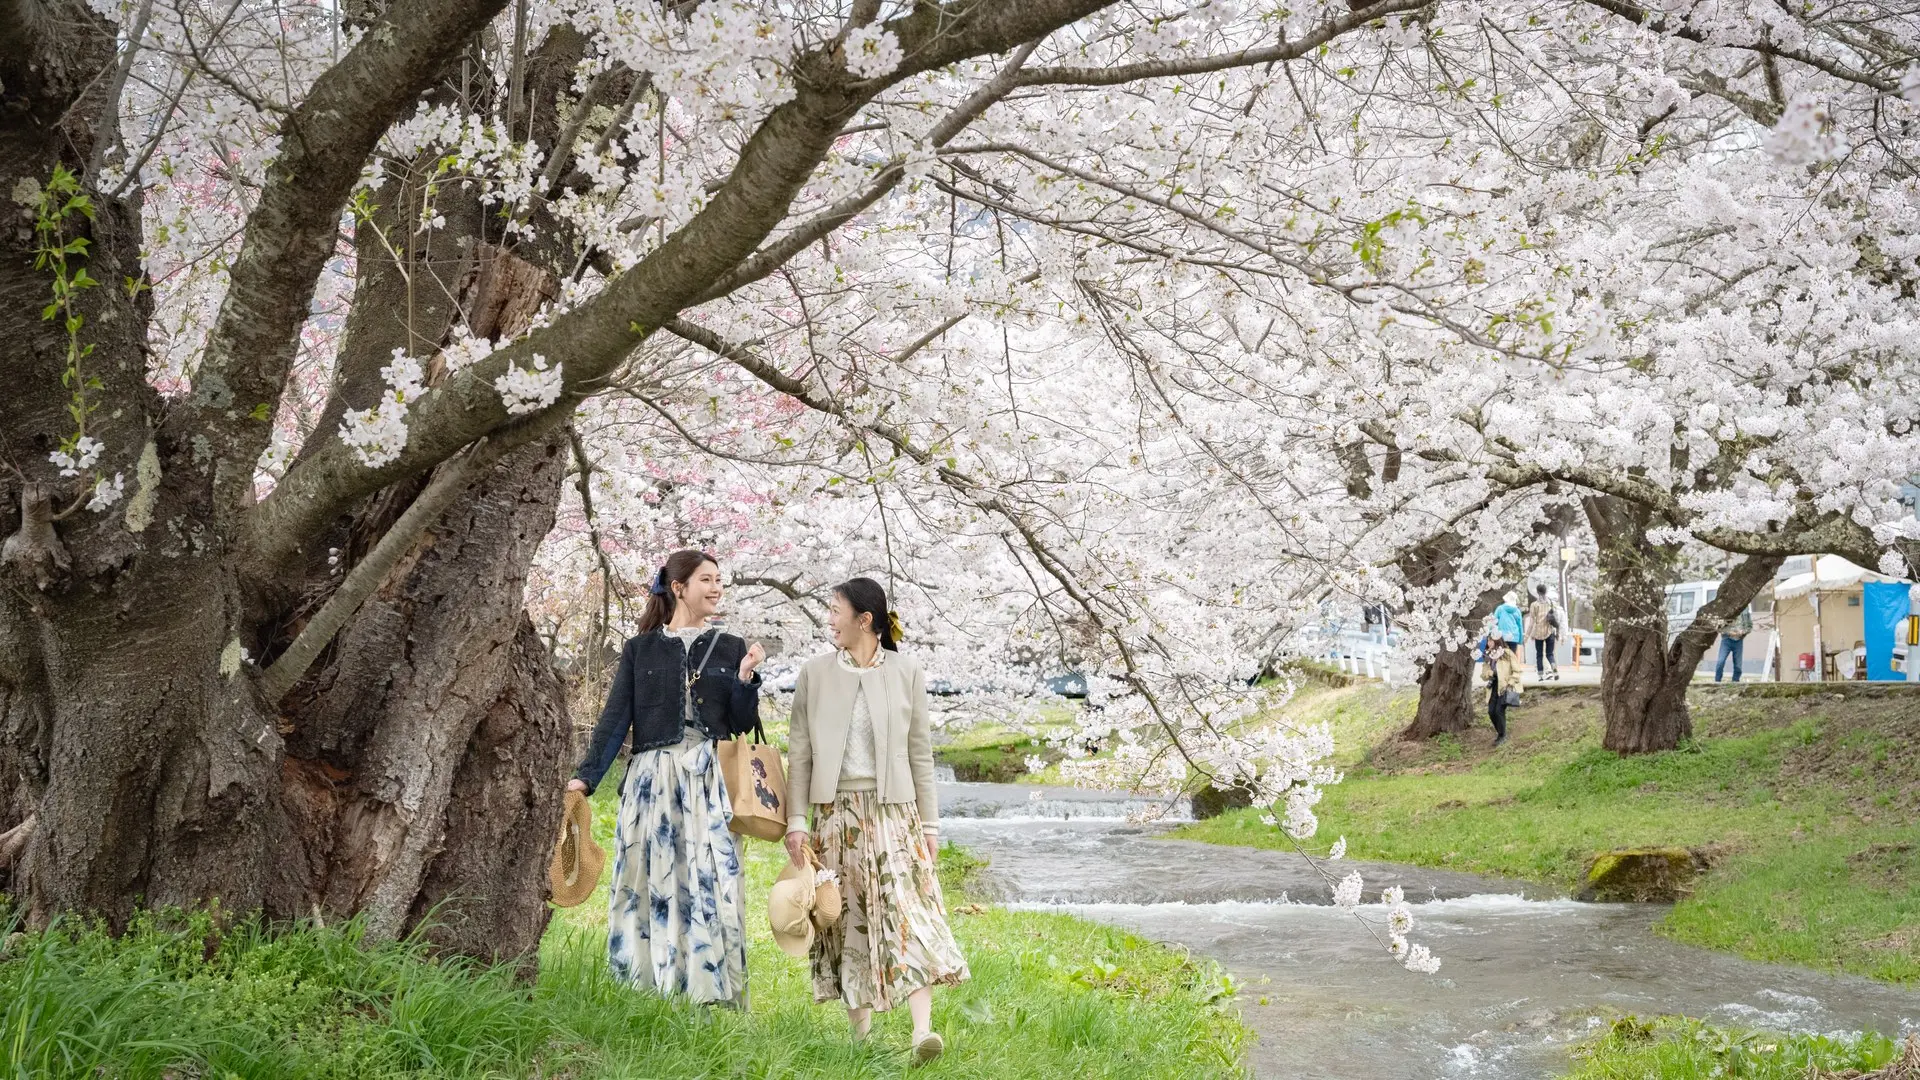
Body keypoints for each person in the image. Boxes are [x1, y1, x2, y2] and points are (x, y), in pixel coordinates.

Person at [566, 549, 765, 1007]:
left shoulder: (732, 646)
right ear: (679, 588)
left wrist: (746, 678)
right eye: (707, 579)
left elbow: (739, 721)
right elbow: (617, 718)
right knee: (649, 879)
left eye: (719, 580)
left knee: (713, 880)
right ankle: (647, 987)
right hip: (652, 780)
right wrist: (586, 777)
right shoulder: (641, 649)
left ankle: (709, 991)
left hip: (708, 778)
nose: (717, 588)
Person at [784, 577, 968, 1063]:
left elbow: (920, 756)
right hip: (833, 816)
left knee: (910, 914)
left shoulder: (906, 672)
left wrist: (930, 827)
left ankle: (921, 1034)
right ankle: (860, 1043)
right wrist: (796, 820)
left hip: (895, 815)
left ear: (864, 620)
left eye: (835, 609)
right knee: (846, 921)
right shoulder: (815, 673)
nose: (829, 618)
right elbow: (799, 754)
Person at [1485, 635, 1522, 747]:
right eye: (1488, 641)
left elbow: (1517, 670)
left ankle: (1502, 735)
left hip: (1505, 685)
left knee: (1498, 710)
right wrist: (1489, 673)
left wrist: (1510, 683)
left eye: (1491, 640)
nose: (1489, 643)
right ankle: (1500, 732)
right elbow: (1484, 673)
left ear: (1497, 640)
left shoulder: (1507, 653)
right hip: (1494, 685)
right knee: (1491, 711)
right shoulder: (1488, 655)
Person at [1526, 584, 1560, 680]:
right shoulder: (1550, 603)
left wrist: (1527, 636)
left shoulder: (1534, 605)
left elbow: (1532, 623)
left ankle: (1540, 675)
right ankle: (1554, 669)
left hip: (1538, 633)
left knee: (1539, 654)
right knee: (1550, 654)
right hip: (1550, 631)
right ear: (1546, 591)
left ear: (1537, 592)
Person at [1714, 607, 1752, 683]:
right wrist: (1729, 632)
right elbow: (1718, 627)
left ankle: (1735, 682)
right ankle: (1717, 681)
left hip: (1738, 640)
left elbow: (1749, 626)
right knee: (1720, 662)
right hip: (1726, 640)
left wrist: (1744, 631)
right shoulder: (1727, 607)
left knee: (1738, 665)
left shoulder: (1745, 609)